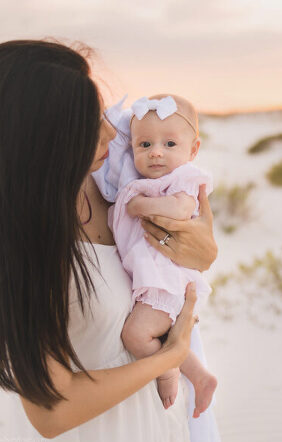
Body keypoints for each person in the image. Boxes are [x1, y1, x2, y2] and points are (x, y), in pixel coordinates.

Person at [0, 39, 220, 442]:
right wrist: (169, 358)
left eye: (101, 114)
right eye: (88, 126)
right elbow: (51, 409)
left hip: (154, 439)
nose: (112, 136)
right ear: (44, 141)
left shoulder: (102, 178)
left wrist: (202, 250)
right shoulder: (23, 245)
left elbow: (182, 249)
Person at [93, 93, 218, 417]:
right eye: (144, 145)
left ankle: (168, 372)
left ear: (193, 150)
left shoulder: (184, 178)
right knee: (162, 333)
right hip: (152, 278)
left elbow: (181, 208)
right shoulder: (140, 181)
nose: (156, 152)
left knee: (137, 334)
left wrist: (141, 206)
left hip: (166, 279)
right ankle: (201, 376)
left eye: (170, 144)